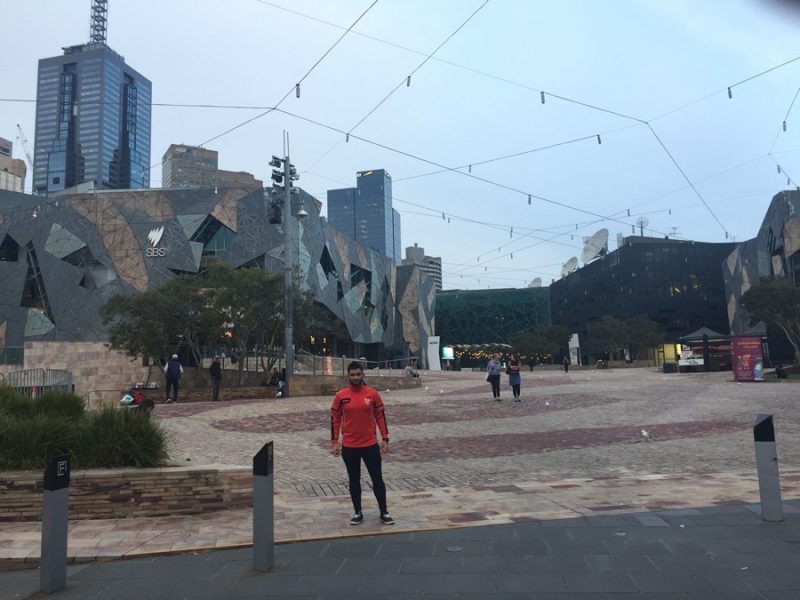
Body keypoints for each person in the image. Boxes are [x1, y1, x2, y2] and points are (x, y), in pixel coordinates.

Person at [330, 361, 394, 526]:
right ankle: (357, 512)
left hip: (370, 445)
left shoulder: (372, 394)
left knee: (377, 479)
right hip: (350, 447)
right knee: (354, 480)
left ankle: (384, 512)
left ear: (362, 374)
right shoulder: (341, 396)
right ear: (348, 376)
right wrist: (334, 442)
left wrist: (385, 438)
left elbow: (380, 416)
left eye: (358, 374)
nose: (356, 377)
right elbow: (335, 419)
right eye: (352, 375)